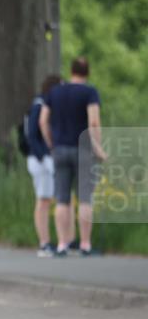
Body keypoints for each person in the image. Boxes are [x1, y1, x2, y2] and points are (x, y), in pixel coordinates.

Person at [39, 57, 108, 257]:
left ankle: (62, 244)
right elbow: (93, 122)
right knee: (85, 198)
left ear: (71, 71)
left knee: (62, 199)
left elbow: (43, 121)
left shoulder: (54, 92)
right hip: (83, 149)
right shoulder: (89, 92)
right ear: (87, 72)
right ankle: (84, 244)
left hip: (59, 150)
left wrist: (51, 142)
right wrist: (99, 149)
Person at [26, 75, 61, 257]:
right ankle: (44, 243)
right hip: (39, 160)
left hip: (44, 159)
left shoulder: (45, 105)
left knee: (46, 200)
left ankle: (48, 241)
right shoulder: (39, 104)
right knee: (43, 200)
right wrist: (44, 157)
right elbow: (32, 135)